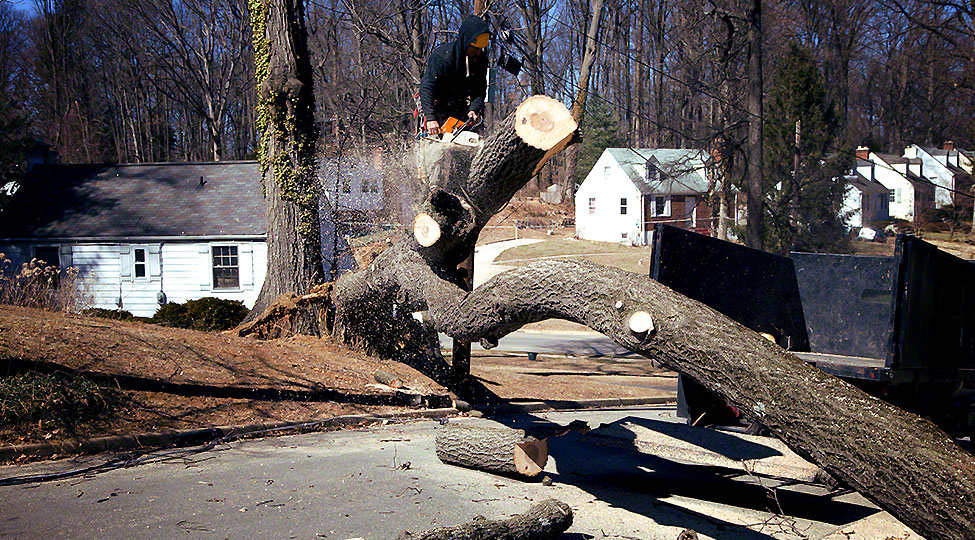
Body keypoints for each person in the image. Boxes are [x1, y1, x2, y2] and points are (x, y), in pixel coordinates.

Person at [418, 15, 490, 136]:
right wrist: (430, 118)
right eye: (474, 48)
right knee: (435, 142)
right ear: (465, 42)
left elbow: (480, 89)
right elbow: (427, 87)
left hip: (459, 107)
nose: (477, 52)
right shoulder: (443, 56)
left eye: (480, 49)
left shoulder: (480, 60)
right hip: (436, 105)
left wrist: (473, 109)